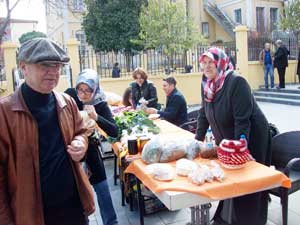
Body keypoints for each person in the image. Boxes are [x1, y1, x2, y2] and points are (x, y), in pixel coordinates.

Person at [0, 38, 95, 225]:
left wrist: (81, 144)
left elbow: (81, 131)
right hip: (33, 215)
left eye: (57, 66)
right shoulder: (5, 112)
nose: (53, 72)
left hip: (74, 209)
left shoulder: (67, 102)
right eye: (45, 65)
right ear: (23, 67)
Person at [196, 47, 271, 225]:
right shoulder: (206, 83)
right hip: (228, 141)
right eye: (204, 63)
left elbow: (242, 121)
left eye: (211, 62)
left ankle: (250, 221)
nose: (206, 67)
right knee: (231, 179)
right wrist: (197, 141)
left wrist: (240, 149)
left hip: (251, 138)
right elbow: (202, 112)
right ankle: (227, 217)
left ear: (220, 62)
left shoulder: (237, 82)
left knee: (249, 183)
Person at [65, 69, 119, 225]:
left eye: (87, 91)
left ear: (95, 89)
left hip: (91, 149)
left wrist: (96, 117)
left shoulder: (100, 103)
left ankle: (111, 222)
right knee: (77, 190)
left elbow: (114, 131)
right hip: (72, 148)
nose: (82, 94)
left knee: (101, 187)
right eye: (80, 89)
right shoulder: (69, 96)